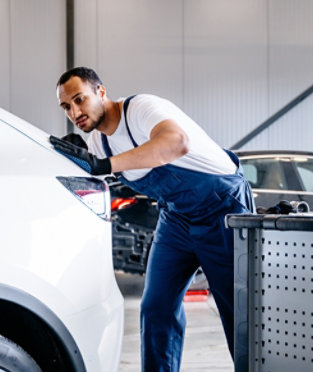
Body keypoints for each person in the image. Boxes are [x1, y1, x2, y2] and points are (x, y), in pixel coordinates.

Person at [51, 67, 254, 371]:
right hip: (176, 218)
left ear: (101, 92)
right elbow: (91, 174)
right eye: (66, 106)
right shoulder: (97, 143)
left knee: (238, 311)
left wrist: (104, 164)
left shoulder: (141, 109)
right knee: (156, 306)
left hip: (223, 209)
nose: (75, 111)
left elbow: (176, 143)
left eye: (79, 99)